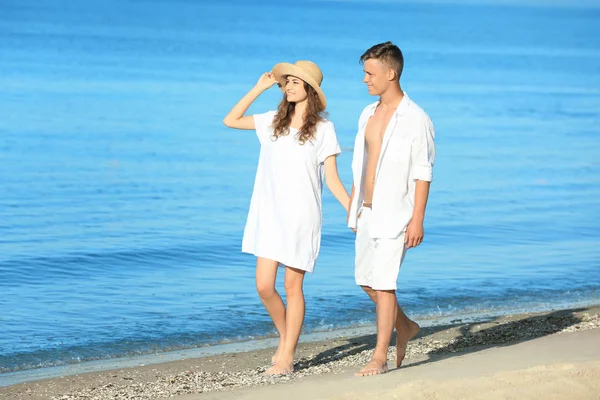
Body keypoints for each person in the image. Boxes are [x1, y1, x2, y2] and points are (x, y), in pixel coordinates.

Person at [223, 60, 350, 375]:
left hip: (301, 216)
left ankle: (287, 357)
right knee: (265, 286)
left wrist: (353, 209)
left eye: (295, 82)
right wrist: (259, 87)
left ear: (310, 89)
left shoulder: (324, 130)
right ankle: (286, 339)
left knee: (293, 286)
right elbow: (230, 120)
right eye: (286, 82)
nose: (288, 86)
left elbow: (332, 179)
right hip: (269, 214)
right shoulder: (271, 122)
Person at [347, 42, 436, 376]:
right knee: (365, 281)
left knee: (384, 284)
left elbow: (423, 171)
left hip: (397, 213)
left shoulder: (416, 118)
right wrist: (355, 204)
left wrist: (418, 219)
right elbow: (363, 163)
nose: (365, 80)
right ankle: (407, 327)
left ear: (391, 73)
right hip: (367, 211)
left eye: (370, 73)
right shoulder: (367, 113)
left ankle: (379, 357)